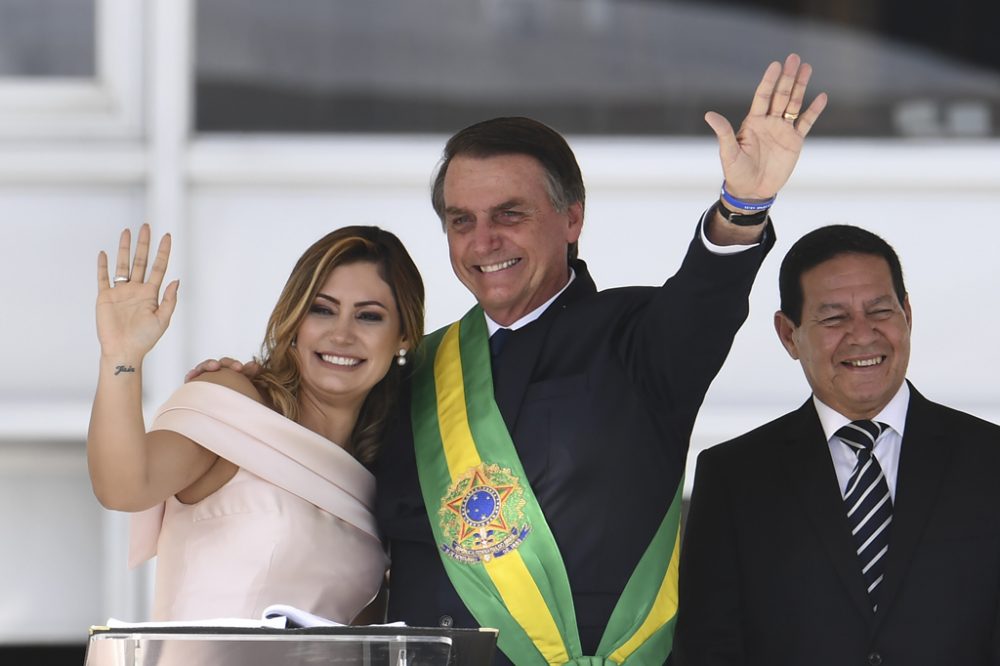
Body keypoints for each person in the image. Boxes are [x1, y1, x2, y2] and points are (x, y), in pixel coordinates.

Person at [190, 53, 824, 663]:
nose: (483, 241)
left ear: (572, 217)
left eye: (509, 215)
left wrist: (743, 207)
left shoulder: (640, 341)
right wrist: (244, 393)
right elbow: (310, 444)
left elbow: (706, 295)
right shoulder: (413, 376)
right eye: (460, 220)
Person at [673, 225, 1000, 666]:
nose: (862, 335)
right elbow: (708, 650)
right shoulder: (734, 477)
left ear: (907, 313)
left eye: (880, 311)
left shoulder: (989, 460)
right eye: (833, 318)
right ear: (789, 334)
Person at [87, 224, 424, 622]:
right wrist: (121, 357)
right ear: (295, 321)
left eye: (369, 316)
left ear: (403, 336)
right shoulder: (233, 403)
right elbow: (124, 487)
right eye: (322, 309)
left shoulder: (386, 470)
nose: (342, 334)